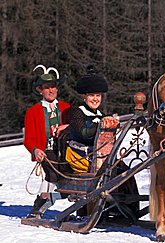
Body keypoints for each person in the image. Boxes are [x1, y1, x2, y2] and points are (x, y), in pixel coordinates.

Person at [23, 65, 71, 218]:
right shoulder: (32, 112)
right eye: (46, 87)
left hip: (67, 151)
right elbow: (28, 139)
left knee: (75, 175)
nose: (51, 90)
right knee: (53, 172)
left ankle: (80, 204)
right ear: (40, 90)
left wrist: (67, 126)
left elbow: (76, 127)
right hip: (46, 151)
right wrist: (35, 150)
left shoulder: (66, 108)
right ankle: (41, 203)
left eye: (53, 87)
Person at [66, 65, 119, 173]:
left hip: (100, 157)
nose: (95, 99)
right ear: (84, 97)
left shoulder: (101, 115)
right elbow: (83, 134)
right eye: (91, 95)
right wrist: (101, 126)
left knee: (124, 172)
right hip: (79, 157)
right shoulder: (77, 113)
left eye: (98, 95)